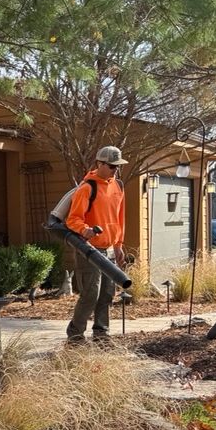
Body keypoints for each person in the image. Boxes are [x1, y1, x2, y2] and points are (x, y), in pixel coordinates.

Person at [65, 145, 127, 344]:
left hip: (109, 248)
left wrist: (118, 244)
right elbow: (72, 219)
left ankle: (101, 333)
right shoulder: (87, 188)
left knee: (107, 293)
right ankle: (75, 335)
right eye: (112, 166)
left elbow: (120, 218)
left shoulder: (118, 186)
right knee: (91, 294)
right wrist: (85, 230)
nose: (115, 169)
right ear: (100, 164)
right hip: (89, 249)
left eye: (117, 166)